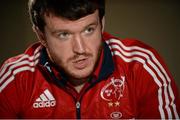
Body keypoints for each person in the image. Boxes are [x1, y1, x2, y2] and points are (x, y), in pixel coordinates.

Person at [0, 0, 179, 119]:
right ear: (41, 36)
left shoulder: (141, 65)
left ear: (102, 24)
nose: (80, 49)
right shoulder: (16, 78)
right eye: (63, 34)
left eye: (88, 30)